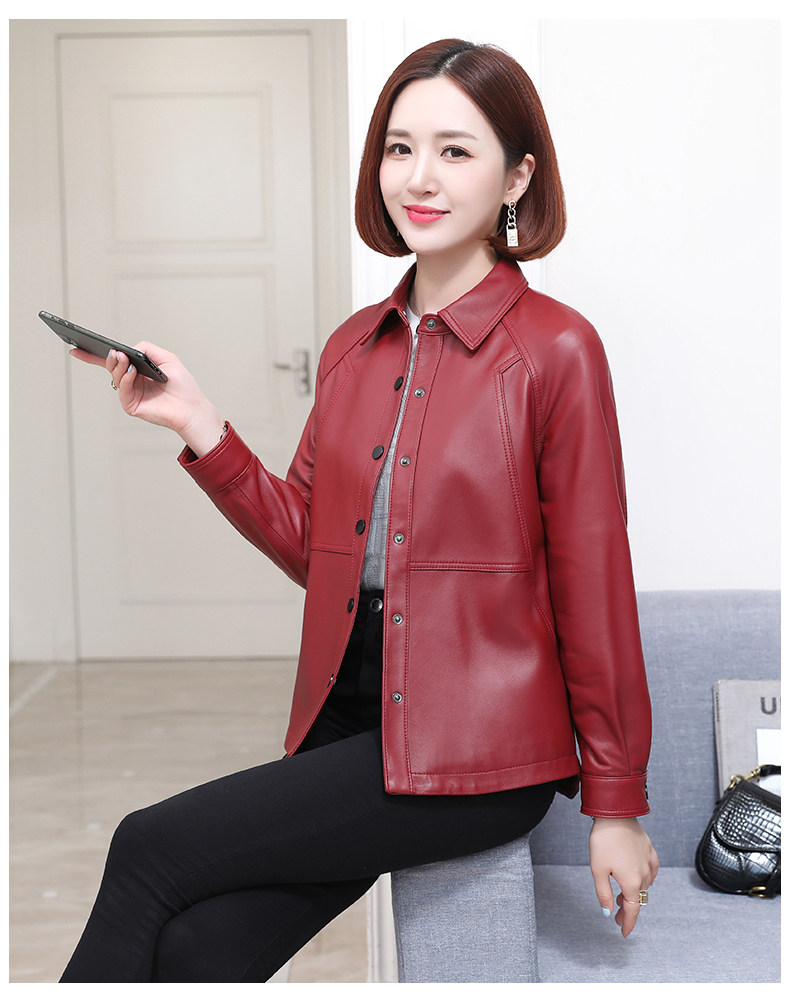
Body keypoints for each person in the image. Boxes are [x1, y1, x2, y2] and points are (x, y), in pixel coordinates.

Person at [60, 38, 658, 983]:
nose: (419, 177)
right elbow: (314, 546)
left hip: (479, 747)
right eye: (399, 148)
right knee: (195, 949)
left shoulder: (556, 350)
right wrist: (197, 421)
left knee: (146, 845)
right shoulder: (355, 348)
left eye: (455, 151)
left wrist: (616, 802)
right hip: (349, 719)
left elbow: (597, 583)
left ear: (517, 176)